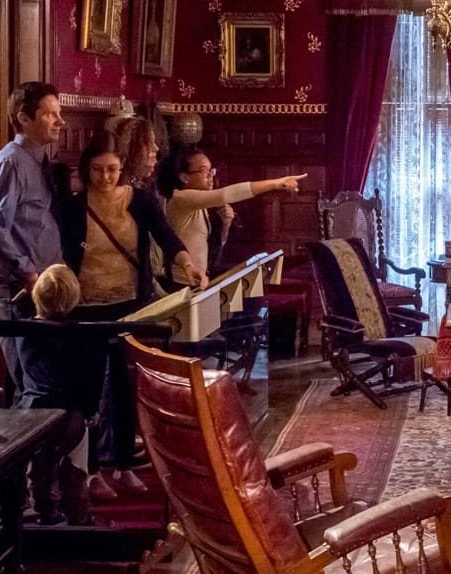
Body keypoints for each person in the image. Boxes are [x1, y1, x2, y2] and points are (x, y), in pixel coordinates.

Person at [61, 131, 206, 497]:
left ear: (122, 167)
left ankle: (124, 465)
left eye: (112, 169)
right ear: (87, 169)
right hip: (86, 306)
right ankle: (91, 470)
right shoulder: (74, 205)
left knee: (125, 387)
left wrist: (187, 265)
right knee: (89, 388)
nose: (105, 177)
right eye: (98, 170)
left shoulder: (139, 200)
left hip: (129, 304)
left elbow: (166, 236)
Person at [0, 81, 65, 403]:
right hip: (18, 292)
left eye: (59, 113)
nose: (60, 121)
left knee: (43, 385)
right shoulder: (10, 163)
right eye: (50, 114)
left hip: (40, 291)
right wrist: (29, 274)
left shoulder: (39, 163)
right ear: (24, 118)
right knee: (36, 389)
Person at [158, 149, 306, 286]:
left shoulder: (200, 206)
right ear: (184, 177)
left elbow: (211, 247)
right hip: (181, 283)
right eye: (204, 171)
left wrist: (226, 224)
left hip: (198, 281)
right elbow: (226, 194)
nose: (211, 176)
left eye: (211, 171)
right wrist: (275, 183)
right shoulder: (181, 198)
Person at [24, 264, 90, 525]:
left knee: (39, 463)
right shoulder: (79, 335)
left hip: (33, 407)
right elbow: (85, 379)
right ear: (74, 298)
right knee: (75, 465)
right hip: (69, 411)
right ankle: (77, 514)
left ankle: (43, 510)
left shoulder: (24, 331)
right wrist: (90, 409)